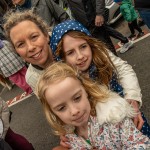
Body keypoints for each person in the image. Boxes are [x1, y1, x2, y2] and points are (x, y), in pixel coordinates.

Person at [3, 10, 149, 148]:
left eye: (34, 37)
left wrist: (133, 99)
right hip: (89, 127)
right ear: (16, 51)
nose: (30, 47)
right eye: (20, 44)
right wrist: (64, 130)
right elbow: (53, 107)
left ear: (46, 35)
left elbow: (121, 68)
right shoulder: (32, 77)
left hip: (114, 112)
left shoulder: (70, 40)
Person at [50, 20, 150, 139]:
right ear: (61, 58)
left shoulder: (100, 53)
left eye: (83, 46)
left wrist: (132, 98)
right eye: (70, 52)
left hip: (126, 110)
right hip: (101, 132)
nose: (80, 56)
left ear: (90, 44)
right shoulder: (64, 81)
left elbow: (123, 69)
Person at [36, 62, 150, 149]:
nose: (74, 111)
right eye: (61, 108)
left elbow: (142, 144)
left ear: (86, 91)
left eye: (77, 98)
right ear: (53, 112)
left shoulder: (114, 117)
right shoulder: (69, 137)